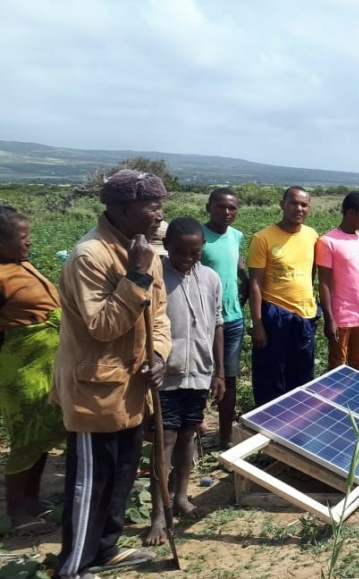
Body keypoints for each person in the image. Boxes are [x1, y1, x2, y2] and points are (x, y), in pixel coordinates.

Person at [51, 169, 171, 578]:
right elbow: (102, 326)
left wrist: (158, 354)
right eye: (151, 206)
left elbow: (159, 317)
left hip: (134, 386)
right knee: (91, 483)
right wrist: (135, 276)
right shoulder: (91, 255)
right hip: (95, 390)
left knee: (122, 475)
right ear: (122, 208)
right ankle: (74, 565)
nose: (159, 214)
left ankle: (105, 550)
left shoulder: (143, 250)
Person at [143, 217, 224, 546]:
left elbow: (217, 322)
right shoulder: (156, 277)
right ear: (167, 247)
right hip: (167, 376)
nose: (188, 257)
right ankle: (158, 514)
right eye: (180, 251)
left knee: (189, 434)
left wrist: (218, 371)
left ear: (202, 248)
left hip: (200, 373)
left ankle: (181, 497)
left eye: (195, 251)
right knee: (165, 441)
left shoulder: (210, 278)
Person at [0, 206, 65, 535]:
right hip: (22, 372)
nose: (29, 243)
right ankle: (17, 512)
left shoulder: (20, 265)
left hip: (46, 367)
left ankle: (32, 501)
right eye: (22, 238)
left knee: (41, 439)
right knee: (26, 439)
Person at [247, 186, 319, 408]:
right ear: (282, 204)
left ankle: (297, 424)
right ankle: (268, 425)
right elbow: (255, 284)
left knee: (301, 376)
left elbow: (311, 272)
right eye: (293, 203)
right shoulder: (263, 238)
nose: (299, 208)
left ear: (309, 208)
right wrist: (258, 324)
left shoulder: (311, 235)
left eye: (304, 204)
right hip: (275, 316)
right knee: (271, 376)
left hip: (305, 316)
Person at [200, 187, 249, 449]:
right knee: (198, 377)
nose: (227, 212)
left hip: (232, 319)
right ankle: (193, 431)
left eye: (232, 208)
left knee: (228, 378)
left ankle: (225, 436)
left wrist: (245, 287)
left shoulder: (237, 236)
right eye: (221, 207)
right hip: (203, 320)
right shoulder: (198, 236)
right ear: (208, 208)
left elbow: (238, 266)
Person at [316, 192, 359, 372]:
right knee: (338, 366)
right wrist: (329, 319)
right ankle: (336, 400)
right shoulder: (328, 242)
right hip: (341, 316)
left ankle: (352, 401)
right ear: (351, 213)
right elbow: (324, 283)